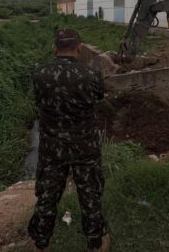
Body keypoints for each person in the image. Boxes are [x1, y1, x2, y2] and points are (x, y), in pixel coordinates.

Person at [28, 29, 110, 252]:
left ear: (54, 48)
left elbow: (39, 100)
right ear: (79, 48)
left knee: (47, 196)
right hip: (86, 147)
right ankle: (95, 243)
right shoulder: (91, 74)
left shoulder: (39, 73)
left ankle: (41, 243)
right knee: (90, 195)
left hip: (52, 147)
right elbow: (99, 96)